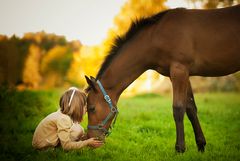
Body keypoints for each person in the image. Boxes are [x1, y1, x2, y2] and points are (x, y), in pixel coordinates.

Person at [32, 87, 103, 150]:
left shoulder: (63, 115)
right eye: (84, 106)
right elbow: (66, 146)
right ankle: (54, 148)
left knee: (78, 130)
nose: (86, 109)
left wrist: (86, 137)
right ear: (77, 107)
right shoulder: (64, 119)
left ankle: (63, 145)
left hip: (45, 142)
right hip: (43, 147)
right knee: (77, 131)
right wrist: (87, 143)